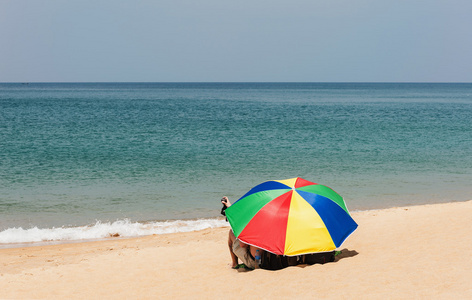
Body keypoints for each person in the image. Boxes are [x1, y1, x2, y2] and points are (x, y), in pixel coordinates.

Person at [221, 196, 262, 270]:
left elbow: (242, 245)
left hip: (256, 263)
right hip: (272, 261)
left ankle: (234, 264)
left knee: (231, 233)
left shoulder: (253, 222)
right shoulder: (274, 220)